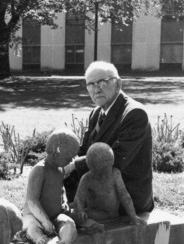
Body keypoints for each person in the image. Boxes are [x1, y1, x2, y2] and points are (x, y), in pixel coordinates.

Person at [64, 61, 154, 214]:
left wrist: (73, 166)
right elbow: (85, 150)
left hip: (126, 196)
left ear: (118, 84)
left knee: (72, 216)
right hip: (101, 186)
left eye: (102, 82)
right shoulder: (96, 113)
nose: (96, 89)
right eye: (90, 84)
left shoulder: (135, 114)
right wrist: (62, 161)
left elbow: (116, 160)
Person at [22, 128, 80, 244]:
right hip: (35, 216)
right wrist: (45, 221)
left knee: (69, 224)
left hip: (55, 216)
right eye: (69, 156)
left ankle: (65, 242)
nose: (71, 159)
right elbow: (32, 200)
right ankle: (39, 239)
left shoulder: (59, 170)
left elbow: (71, 168)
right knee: (32, 226)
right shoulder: (39, 170)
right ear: (57, 151)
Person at [72, 142, 147, 231]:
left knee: (72, 214)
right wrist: (80, 211)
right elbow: (79, 198)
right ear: (89, 167)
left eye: (105, 172)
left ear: (111, 164)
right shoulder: (87, 178)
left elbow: (124, 195)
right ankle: (92, 225)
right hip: (94, 212)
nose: (103, 177)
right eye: (98, 173)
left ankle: (92, 225)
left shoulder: (115, 174)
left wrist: (133, 215)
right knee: (75, 212)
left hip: (108, 214)